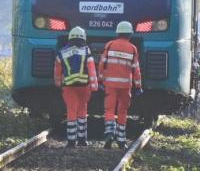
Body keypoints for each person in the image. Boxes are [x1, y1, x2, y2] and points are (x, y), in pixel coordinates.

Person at [99, 20, 142, 149]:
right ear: (130, 34)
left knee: (109, 109)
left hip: (110, 84)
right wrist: (138, 86)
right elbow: (136, 69)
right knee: (122, 111)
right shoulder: (132, 49)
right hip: (125, 86)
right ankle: (121, 140)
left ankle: (109, 132)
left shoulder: (110, 45)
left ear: (118, 33)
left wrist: (100, 80)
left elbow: (102, 64)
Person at [54, 26, 99, 147]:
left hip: (69, 87)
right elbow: (92, 70)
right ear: (83, 38)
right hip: (84, 86)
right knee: (82, 111)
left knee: (71, 111)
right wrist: (94, 87)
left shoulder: (62, 52)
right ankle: (82, 139)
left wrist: (58, 83)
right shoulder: (86, 51)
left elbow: (57, 70)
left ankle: (71, 141)